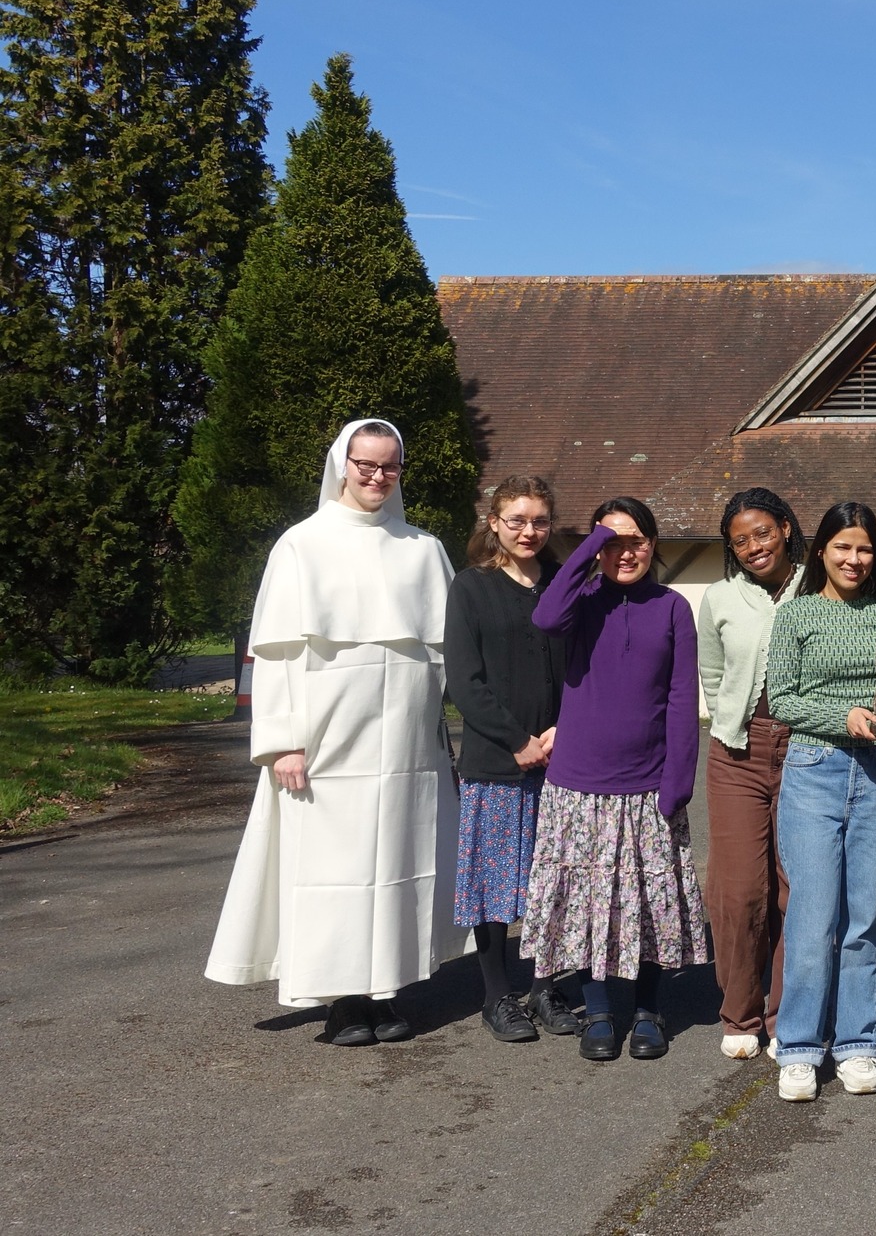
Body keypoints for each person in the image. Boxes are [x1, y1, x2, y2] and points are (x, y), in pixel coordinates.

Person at [205, 419, 467, 1045]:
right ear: (341, 465)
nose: (377, 477)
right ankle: (344, 1000)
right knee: (333, 864)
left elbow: (451, 655)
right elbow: (276, 655)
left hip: (406, 744)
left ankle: (386, 989)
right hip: (325, 741)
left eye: (390, 467)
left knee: (401, 859)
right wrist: (281, 741)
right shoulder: (301, 545)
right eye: (365, 464)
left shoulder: (423, 549)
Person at [526, 497, 709, 1063]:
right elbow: (543, 616)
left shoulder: (673, 607)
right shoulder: (580, 601)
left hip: (648, 784)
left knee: (651, 904)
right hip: (578, 785)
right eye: (613, 542)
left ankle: (651, 1011)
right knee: (588, 903)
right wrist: (591, 541)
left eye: (636, 541)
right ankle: (600, 1011)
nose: (625, 553)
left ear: (653, 545)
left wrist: (678, 778)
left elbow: (682, 698)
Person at [764, 501, 876, 1103]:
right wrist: (843, 719)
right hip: (812, 770)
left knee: (865, 923)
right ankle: (798, 1047)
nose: (854, 559)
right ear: (820, 550)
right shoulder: (795, 614)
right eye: (843, 547)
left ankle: (858, 1043)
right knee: (813, 917)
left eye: (865, 548)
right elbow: (781, 700)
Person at [445, 475, 576, 1043]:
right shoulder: (471, 588)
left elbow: (583, 670)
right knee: (494, 886)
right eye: (517, 520)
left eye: (540, 520)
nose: (529, 531)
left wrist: (564, 731)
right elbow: (464, 681)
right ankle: (498, 995)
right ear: (493, 522)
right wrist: (518, 740)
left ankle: (546, 988)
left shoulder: (565, 585)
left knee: (554, 883)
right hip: (496, 760)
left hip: (564, 758)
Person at [697, 488, 806, 1061]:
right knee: (737, 891)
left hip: (806, 749)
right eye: (740, 541)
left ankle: (788, 1015)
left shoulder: (820, 586)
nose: (753, 547)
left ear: (786, 528)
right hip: (736, 752)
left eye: (762, 533)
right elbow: (711, 676)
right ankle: (738, 1013)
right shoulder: (718, 597)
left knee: (796, 887)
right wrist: (733, 720)